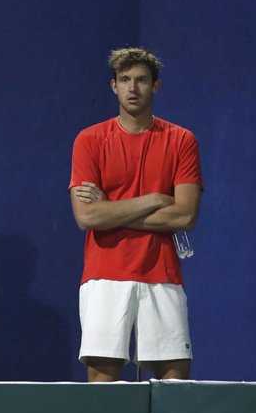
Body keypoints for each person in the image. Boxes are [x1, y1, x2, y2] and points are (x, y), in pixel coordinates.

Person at [68, 47, 202, 382]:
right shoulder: (90, 140)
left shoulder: (181, 140)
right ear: (114, 86)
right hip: (104, 274)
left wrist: (111, 207)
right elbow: (86, 218)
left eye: (141, 80)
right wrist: (157, 198)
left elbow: (185, 216)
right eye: (125, 80)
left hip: (162, 273)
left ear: (155, 86)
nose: (133, 88)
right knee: (102, 378)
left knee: (174, 380)